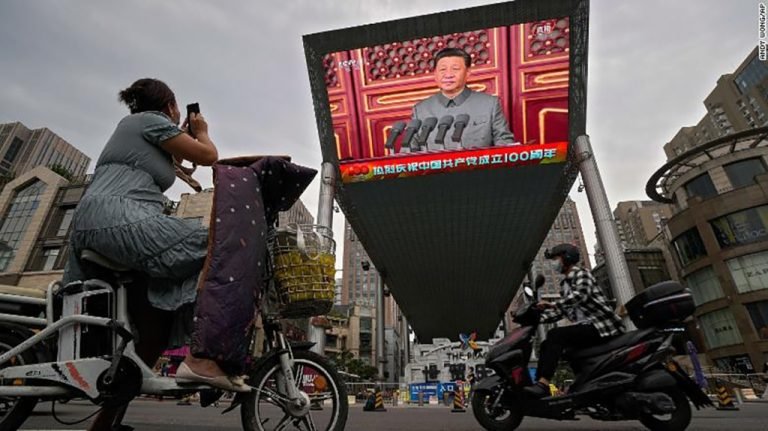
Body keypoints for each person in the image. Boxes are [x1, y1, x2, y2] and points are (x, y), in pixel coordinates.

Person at [62, 78, 249, 430]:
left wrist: (180, 136)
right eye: (176, 107)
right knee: (217, 241)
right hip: (116, 216)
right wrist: (202, 131)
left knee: (154, 328)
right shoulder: (147, 121)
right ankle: (203, 359)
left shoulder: (144, 132)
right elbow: (209, 157)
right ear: (169, 106)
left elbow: (183, 165)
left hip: (111, 221)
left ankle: (104, 424)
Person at [524, 243, 624, 398]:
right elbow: (563, 311)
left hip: (600, 327)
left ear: (566, 257)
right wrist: (536, 319)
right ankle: (542, 383)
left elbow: (579, 296)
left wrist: (551, 304)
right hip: (586, 328)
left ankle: (543, 384)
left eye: (556, 259)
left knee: (556, 335)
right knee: (546, 344)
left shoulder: (581, 274)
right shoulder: (565, 284)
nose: (554, 263)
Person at [410, 47, 515, 150]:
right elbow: (410, 150)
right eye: (442, 69)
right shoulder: (421, 109)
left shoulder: (490, 104)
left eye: (455, 69)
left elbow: (504, 142)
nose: (448, 75)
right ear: (435, 74)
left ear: (467, 73)